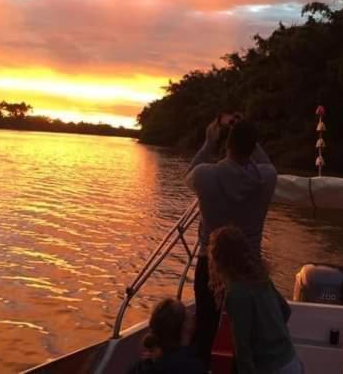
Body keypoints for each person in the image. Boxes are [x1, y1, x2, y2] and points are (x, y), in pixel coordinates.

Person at [185, 115, 277, 366]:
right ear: (254, 146)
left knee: (205, 329)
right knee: (245, 338)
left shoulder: (205, 175)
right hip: (249, 266)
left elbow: (188, 175)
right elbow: (265, 164)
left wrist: (208, 142)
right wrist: (248, 139)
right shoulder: (266, 178)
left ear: (227, 145)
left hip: (211, 264)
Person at [208, 226, 301, 374]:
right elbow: (285, 310)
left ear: (218, 260)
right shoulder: (261, 278)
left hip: (271, 368)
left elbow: (242, 349)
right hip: (291, 361)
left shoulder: (236, 293)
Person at [128, 298, 205, 374]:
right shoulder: (192, 367)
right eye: (186, 311)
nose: (192, 314)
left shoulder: (140, 368)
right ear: (184, 326)